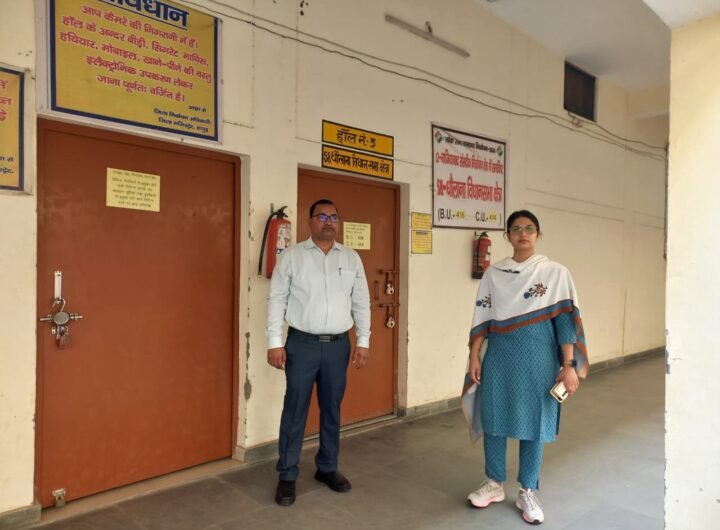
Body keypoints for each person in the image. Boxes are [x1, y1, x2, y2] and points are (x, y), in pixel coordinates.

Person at [461, 209, 588, 525]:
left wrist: (568, 365)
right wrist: (475, 356)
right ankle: (493, 483)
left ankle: (528, 490)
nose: (523, 233)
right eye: (516, 228)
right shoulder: (494, 274)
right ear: (508, 235)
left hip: (539, 360)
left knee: (534, 424)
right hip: (499, 358)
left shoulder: (555, 273)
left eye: (529, 228)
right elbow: (483, 317)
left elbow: (565, 324)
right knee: (493, 419)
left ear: (538, 234)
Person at [266, 198, 371, 507]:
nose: (328, 221)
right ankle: (287, 474)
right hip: (302, 345)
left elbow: (361, 301)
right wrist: (274, 341)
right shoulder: (292, 257)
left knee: (331, 409)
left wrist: (363, 340)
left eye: (333, 217)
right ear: (310, 221)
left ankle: (326, 467)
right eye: (322, 216)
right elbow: (276, 298)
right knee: (295, 409)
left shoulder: (351, 258)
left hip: (338, 346)